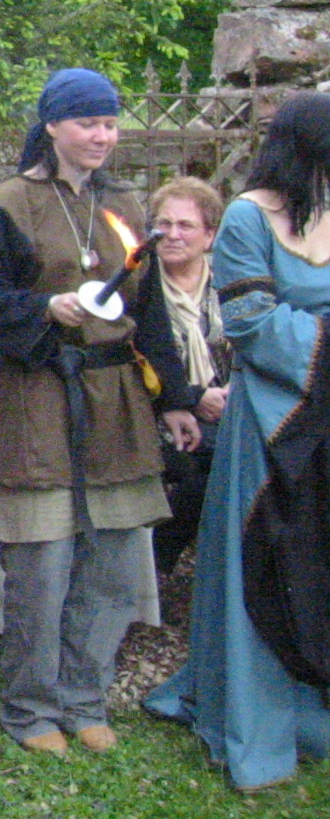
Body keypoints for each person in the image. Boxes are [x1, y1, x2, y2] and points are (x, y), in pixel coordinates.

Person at [0, 68, 200, 757]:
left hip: (117, 399)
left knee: (113, 559)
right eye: (89, 122)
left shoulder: (123, 205)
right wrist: (44, 309)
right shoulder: (8, 204)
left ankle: (84, 696)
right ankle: (31, 706)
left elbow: (150, 311)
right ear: (54, 126)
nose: (103, 135)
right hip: (40, 392)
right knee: (42, 562)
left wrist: (174, 399)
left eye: (111, 123)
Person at [145, 94, 330, 789]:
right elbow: (252, 321)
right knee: (261, 559)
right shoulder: (249, 218)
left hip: (326, 417)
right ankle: (256, 712)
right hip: (270, 422)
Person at [147, 176, 228, 573]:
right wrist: (193, 397)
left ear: (209, 236)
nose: (173, 234)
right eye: (164, 224)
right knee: (212, 468)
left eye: (186, 225)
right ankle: (158, 560)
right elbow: (136, 363)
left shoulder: (228, 285)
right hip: (156, 417)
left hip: (228, 408)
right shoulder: (140, 289)